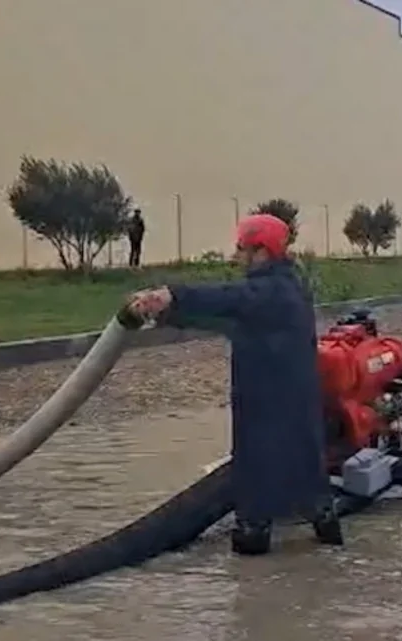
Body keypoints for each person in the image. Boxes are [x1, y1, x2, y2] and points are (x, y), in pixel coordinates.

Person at [126, 213, 343, 556]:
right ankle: (324, 549)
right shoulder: (282, 288)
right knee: (310, 485)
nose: (237, 255)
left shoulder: (272, 291)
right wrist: (164, 312)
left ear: (261, 252)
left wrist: (172, 295)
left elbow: (229, 298)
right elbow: (225, 316)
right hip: (288, 406)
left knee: (257, 498)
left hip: (267, 409)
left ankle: (255, 571)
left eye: (242, 248)